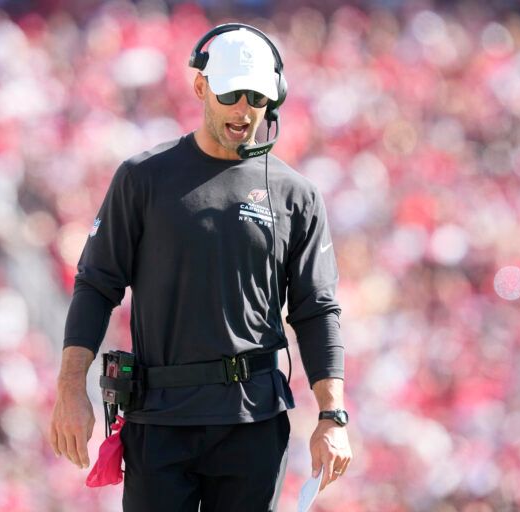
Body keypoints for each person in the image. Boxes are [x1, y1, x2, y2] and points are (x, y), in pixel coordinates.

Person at [49, 23, 352, 511]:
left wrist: (332, 416)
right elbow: (96, 286)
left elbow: (317, 310)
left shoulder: (296, 195)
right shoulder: (143, 178)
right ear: (201, 88)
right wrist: (70, 389)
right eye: (231, 95)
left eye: (257, 98)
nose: (243, 110)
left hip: (253, 423)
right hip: (159, 419)